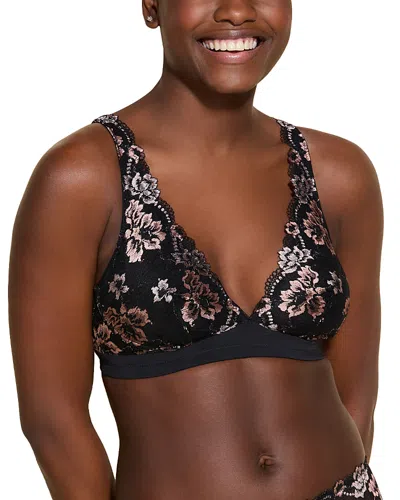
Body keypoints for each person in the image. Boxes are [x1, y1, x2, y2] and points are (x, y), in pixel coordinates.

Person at [8, 1, 384, 499]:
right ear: (152, 6)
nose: (237, 11)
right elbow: (52, 420)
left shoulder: (339, 175)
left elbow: (356, 397)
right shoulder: (81, 179)